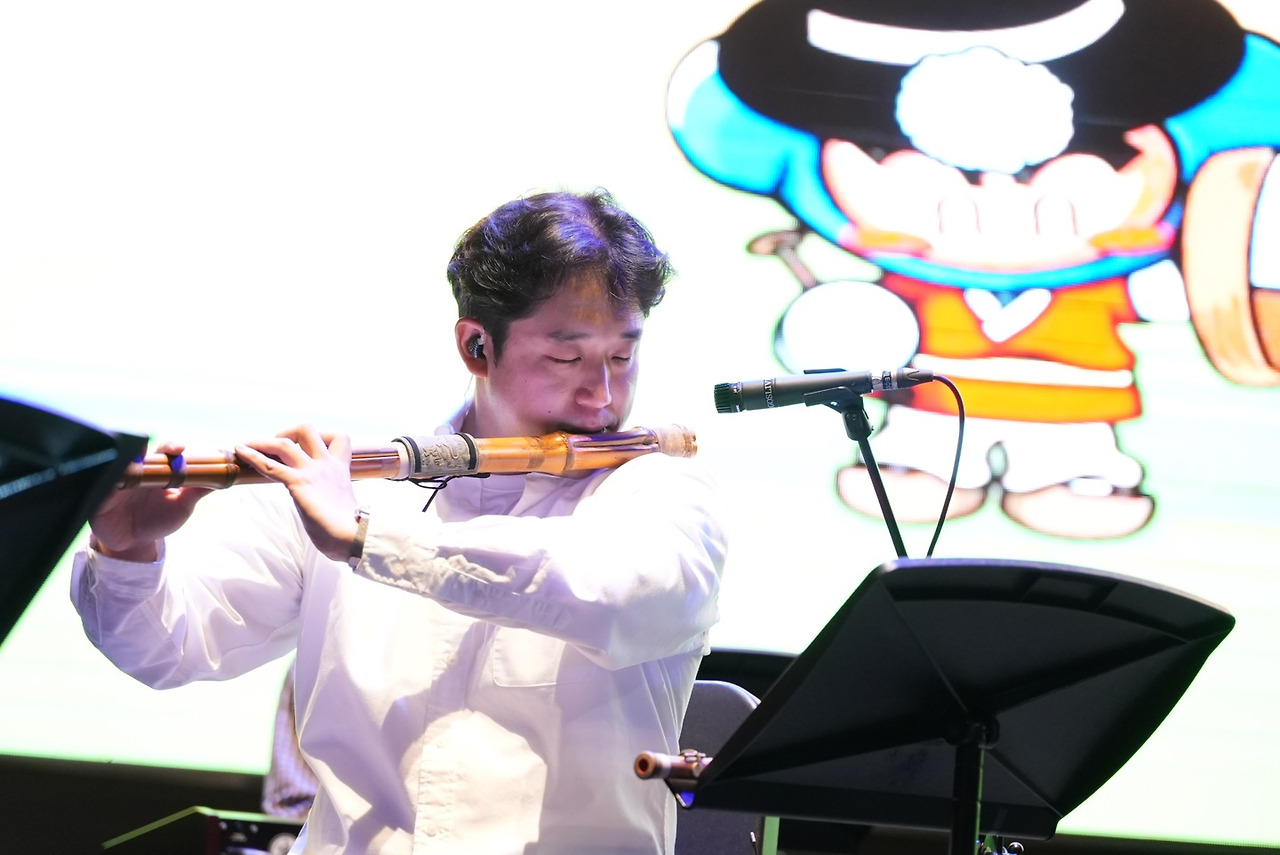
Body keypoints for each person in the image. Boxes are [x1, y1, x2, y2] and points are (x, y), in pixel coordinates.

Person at [70, 189, 726, 855]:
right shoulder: (351, 484)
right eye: (567, 358)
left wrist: (366, 539)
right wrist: (127, 549)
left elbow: (612, 597)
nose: (602, 395)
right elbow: (169, 649)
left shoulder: (663, 493)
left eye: (622, 357)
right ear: (477, 346)